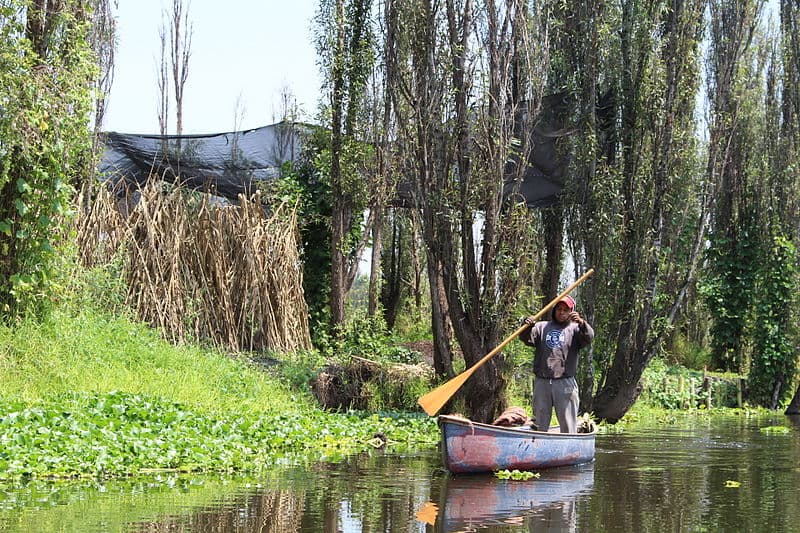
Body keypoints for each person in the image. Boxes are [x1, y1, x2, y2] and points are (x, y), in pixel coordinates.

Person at [520, 295, 594, 433]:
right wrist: (526, 326)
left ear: (571, 312)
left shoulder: (576, 329)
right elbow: (526, 338)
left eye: (565, 310)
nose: (561, 312)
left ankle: (569, 448)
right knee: (539, 423)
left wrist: (582, 323)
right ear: (554, 310)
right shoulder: (541, 327)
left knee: (567, 422)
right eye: (559, 309)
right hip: (542, 382)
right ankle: (538, 447)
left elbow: (589, 337)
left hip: (564, 382)